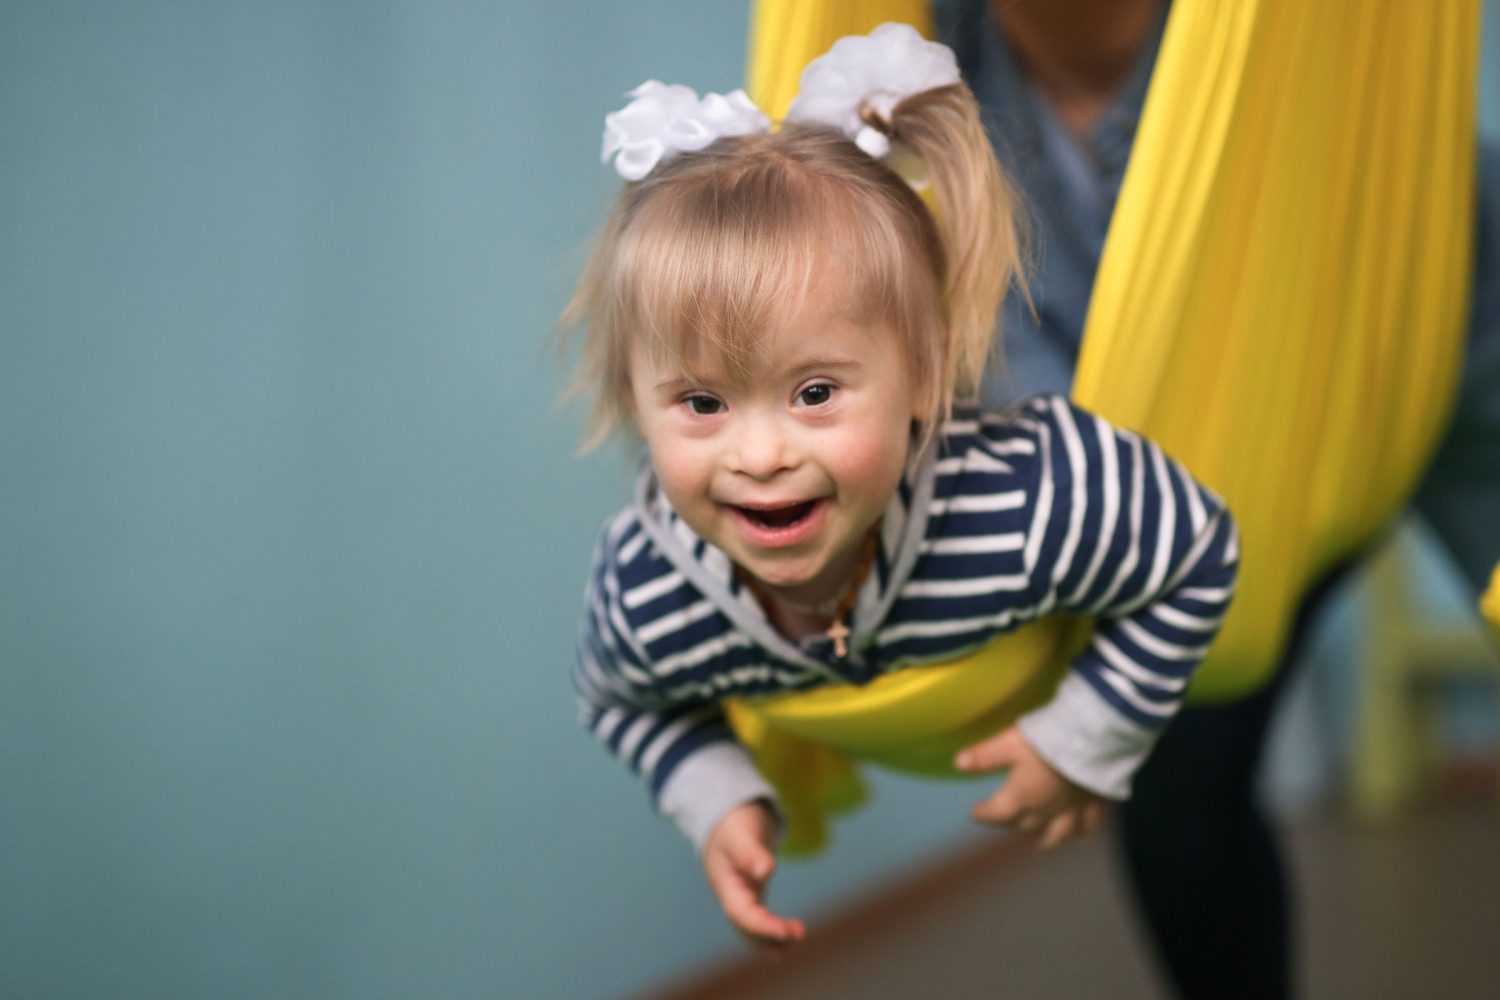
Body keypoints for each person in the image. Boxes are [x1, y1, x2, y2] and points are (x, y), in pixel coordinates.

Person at [563, 24, 1239, 955]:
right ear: (641, 408)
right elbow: (620, 700)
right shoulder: (648, 590)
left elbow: (1200, 550)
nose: (760, 455)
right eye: (703, 402)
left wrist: (1086, 737)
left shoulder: (1034, 499)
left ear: (925, 375)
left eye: (814, 393)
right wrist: (715, 797)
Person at [934, 1, 1500, 996]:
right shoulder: (905, 73)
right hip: (1204, 478)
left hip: (1440, 333)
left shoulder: (1281, 32)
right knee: (1178, 791)